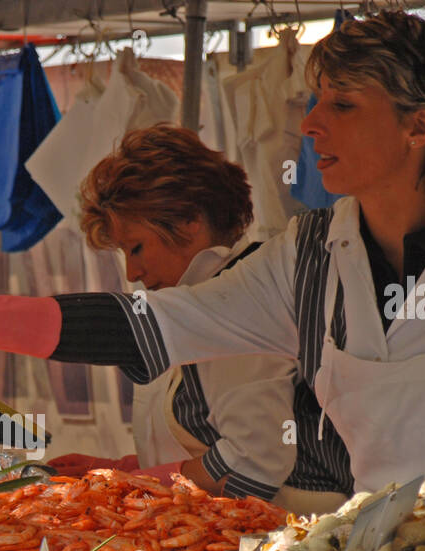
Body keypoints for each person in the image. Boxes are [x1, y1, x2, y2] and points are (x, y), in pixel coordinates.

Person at [0, 9, 425, 508]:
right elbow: (146, 325)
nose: (310, 125)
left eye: (342, 105)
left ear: (419, 126)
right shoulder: (306, 258)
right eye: (316, 102)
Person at [52, 124, 316, 507]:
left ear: (188, 220)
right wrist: (115, 469)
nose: (132, 273)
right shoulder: (189, 304)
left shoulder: (235, 303)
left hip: (263, 546)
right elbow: (197, 445)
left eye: (137, 248)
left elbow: (254, 459)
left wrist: (129, 485)